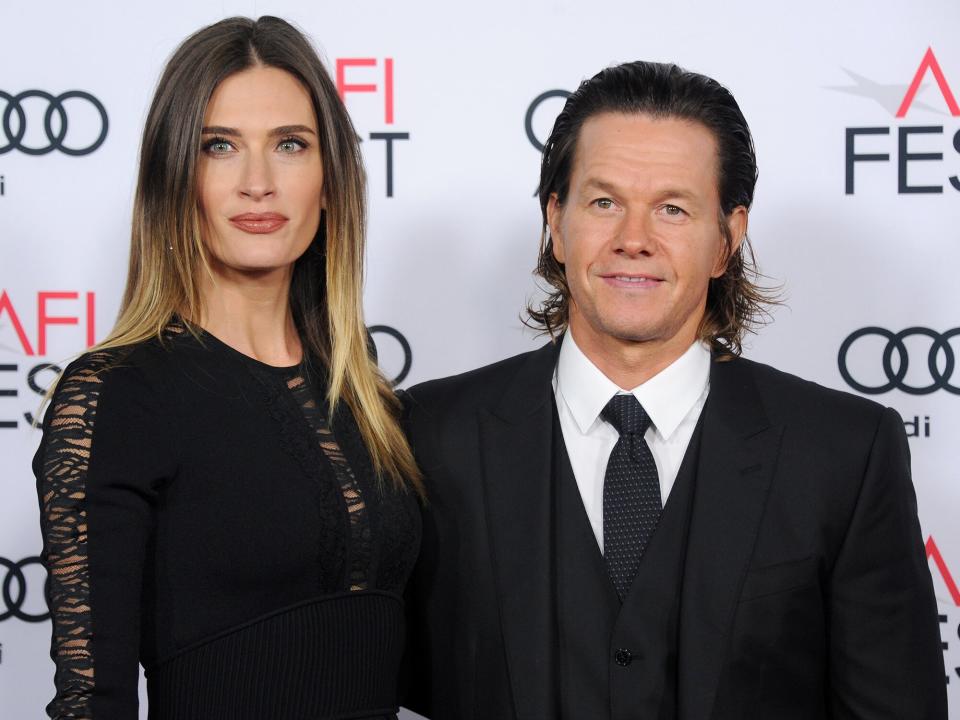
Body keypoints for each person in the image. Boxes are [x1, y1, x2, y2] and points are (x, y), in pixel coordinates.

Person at [401, 61, 946, 719]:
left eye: (673, 208)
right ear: (557, 222)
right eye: (604, 203)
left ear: (727, 240)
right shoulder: (426, 437)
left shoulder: (843, 453)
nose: (634, 240)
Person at [34, 16, 421, 720]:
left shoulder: (362, 393)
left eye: (290, 146)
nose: (258, 183)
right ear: (175, 177)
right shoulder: (116, 394)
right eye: (220, 147)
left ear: (331, 180)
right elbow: (94, 701)